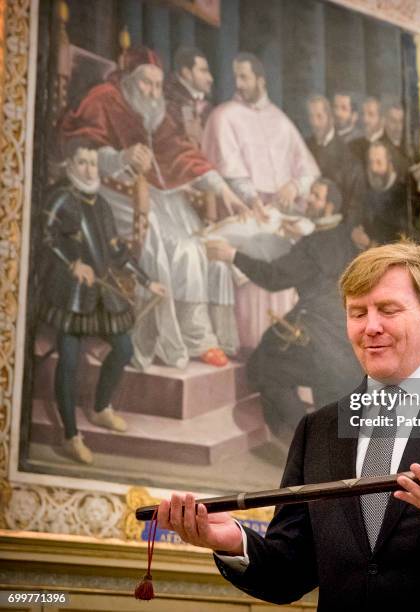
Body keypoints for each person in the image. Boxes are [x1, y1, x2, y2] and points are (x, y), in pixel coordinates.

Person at [158, 240, 420, 610]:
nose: (370, 327)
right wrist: (232, 540)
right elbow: (290, 572)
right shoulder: (318, 429)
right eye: (357, 312)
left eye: (387, 309)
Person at [59, 46, 247, 370]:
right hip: (108, 191)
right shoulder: (104, 99)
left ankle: (197, 336)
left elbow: (181, 153)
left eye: (158, 85)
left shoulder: (157, 113)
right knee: (157, 242)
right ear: (129, 79)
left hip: (155, 194)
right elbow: (79, 147)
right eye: (146, 83)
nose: (153, 91)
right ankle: (154, 339)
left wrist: (221, 188)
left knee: (192, 247)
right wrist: (120, 158)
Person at [205, 178, 364, 439]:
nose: (308, 199)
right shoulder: (344, 236)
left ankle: (301, 441)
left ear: (328, 207)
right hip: (347, 342)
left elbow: (275, 276)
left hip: (319, 334)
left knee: (264, 365)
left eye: (315, 196)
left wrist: (232, 255)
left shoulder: (314, 244)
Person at [39, 141, 166, 464]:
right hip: (70, 295)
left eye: (93, 164)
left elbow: (118, 253)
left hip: (100, 294)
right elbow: (45, 237)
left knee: (123, 348)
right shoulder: (60, 198)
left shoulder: (102, 205)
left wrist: (147, 279)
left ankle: (99, 408)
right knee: (68, 363)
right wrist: (72, 264)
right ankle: (70, 436)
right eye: (82, 163)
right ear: (71, 166)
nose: (88, 170)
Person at [202, 52, 319, 216]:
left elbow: (309, 170)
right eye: (236, 77)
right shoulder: (223, 116)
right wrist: (253, 199)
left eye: (244, 77)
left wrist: (295, 187)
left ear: (261, 81)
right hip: (244, 212)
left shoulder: (281, 120)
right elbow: (231, 172)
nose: (238, 84)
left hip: (285, 213)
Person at [305, 95, 365, 226]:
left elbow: (354, 207)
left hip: (334, 228)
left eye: (319, 116)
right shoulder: (305, 147)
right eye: (311, 116)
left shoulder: (348, 156)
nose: (314, 123)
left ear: (330, 118)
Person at [164, 46, 214, 147]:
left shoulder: (204, 104)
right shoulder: (170, 103)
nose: (210, 78)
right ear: (187, 73)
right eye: (203, 71)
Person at [363, 140, 410, 245]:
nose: (373, 169)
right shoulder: (368, 196)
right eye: (371, 163)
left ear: (390, 163)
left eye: (379, 163)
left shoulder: (404, 193)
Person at [349, 96, 386, 165]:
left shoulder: (388, 148)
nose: (365, 119)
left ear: (381, 119)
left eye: (371, 114)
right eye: (362, 114)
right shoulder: (352, 146)